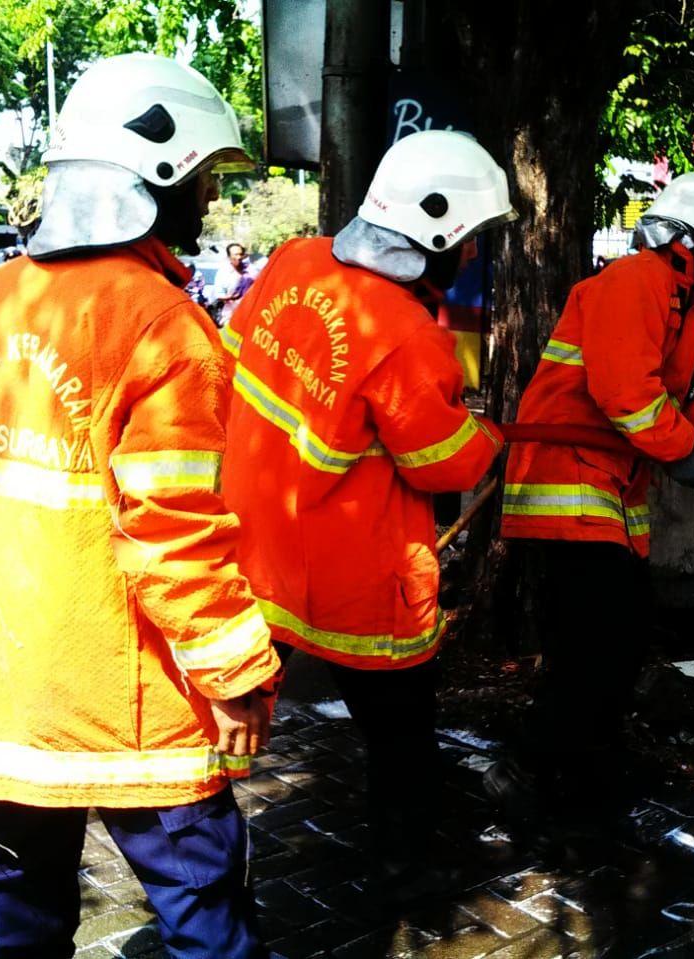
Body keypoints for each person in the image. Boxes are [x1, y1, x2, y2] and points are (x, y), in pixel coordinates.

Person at [0, 53, 282, 959]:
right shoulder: (163, 323)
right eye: (201, 181)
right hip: (133, 713)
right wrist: (238, 670)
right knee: (206, 918)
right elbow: (173, 532)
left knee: (8, 919)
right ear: (154, 177)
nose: (208, 203)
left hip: (2, 692)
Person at [219, 130, 513, 900]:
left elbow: (237, 357)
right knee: (402, 735)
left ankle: (196, 858)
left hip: (252, 553)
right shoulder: (410, 334)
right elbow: (441, 459)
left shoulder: (294, 261)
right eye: (472, 240)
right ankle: (400, 870)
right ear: (440, 235)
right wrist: (490, 437)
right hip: (353, 579)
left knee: (227, 716)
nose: (475, 256)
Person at [486, 171, 694, 829]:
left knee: (616, 642)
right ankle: (529, 766)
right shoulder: (637, 282)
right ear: (691, 242)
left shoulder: (680, 311)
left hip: (597, 491)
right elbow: (625, 395)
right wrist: (676, 446)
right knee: (599, 644)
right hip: (566, 485)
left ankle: (585, 769)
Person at [214, 241, 252, 325]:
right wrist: (230, 297)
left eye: (241, 254)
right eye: (235, 254)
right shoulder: (223, 273)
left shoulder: (251, 271)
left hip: (250, 315)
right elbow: (218, 294)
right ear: (229, 257)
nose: (239, 257)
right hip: (230, 316)